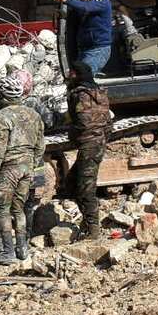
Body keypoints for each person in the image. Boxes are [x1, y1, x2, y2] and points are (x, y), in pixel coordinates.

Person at [0, 71, 44, 263]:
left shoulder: (1, 115)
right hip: (28, 167)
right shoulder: (34, 114)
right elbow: (40, 145)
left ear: (2, 95)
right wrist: (33, 165)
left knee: (3, 209)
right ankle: (23, 249)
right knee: (19, 209)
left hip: (9, 167)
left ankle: (8, 252)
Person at [64, 59, 111, 239]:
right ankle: (87, 222)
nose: (69, 76)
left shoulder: (78, 94)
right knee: (71, 183)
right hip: (98, 142)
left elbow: (82, 123)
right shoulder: (97, 92)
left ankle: (93, 230)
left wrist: (72, 134)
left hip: (89, 144)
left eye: (72, 72)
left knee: (86, 187)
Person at [54, 0, 113, 77]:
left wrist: (66, 0)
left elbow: (86, 8)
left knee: (82, 76)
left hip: (98, 50)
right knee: (75, 76)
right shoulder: (83, 4)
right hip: (84, 50)